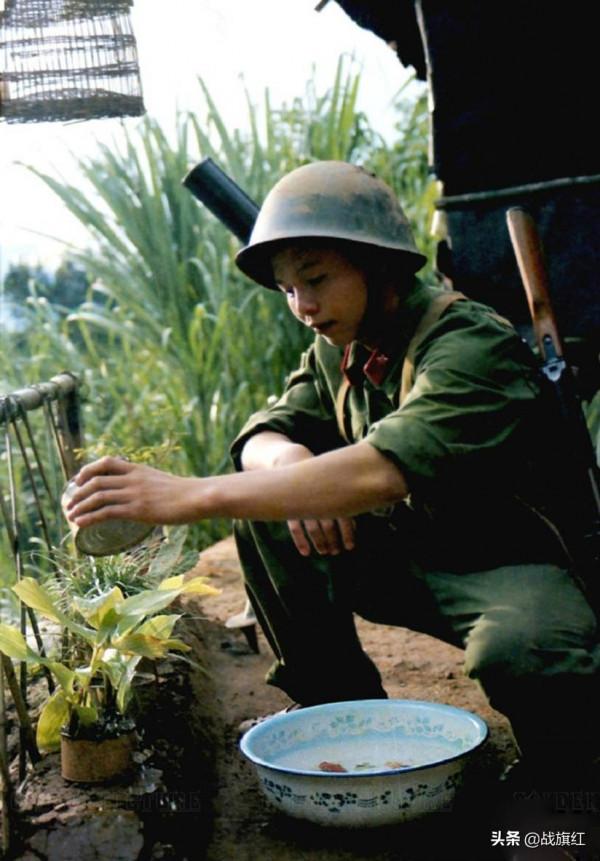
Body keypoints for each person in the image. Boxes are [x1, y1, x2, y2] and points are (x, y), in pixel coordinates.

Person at [67, 161, 599, 797]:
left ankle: (563, 775)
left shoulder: (467, 344)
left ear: (378, 267)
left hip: (516, 566)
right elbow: (264, 432)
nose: (303, 306)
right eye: (288, 290)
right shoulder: (341, 344)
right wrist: (292, 466)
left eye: (316, 279)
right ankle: (335, 710)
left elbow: (380, 471)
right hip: (419, 555)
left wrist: (187, 495)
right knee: (271, 510)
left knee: (524, 652)